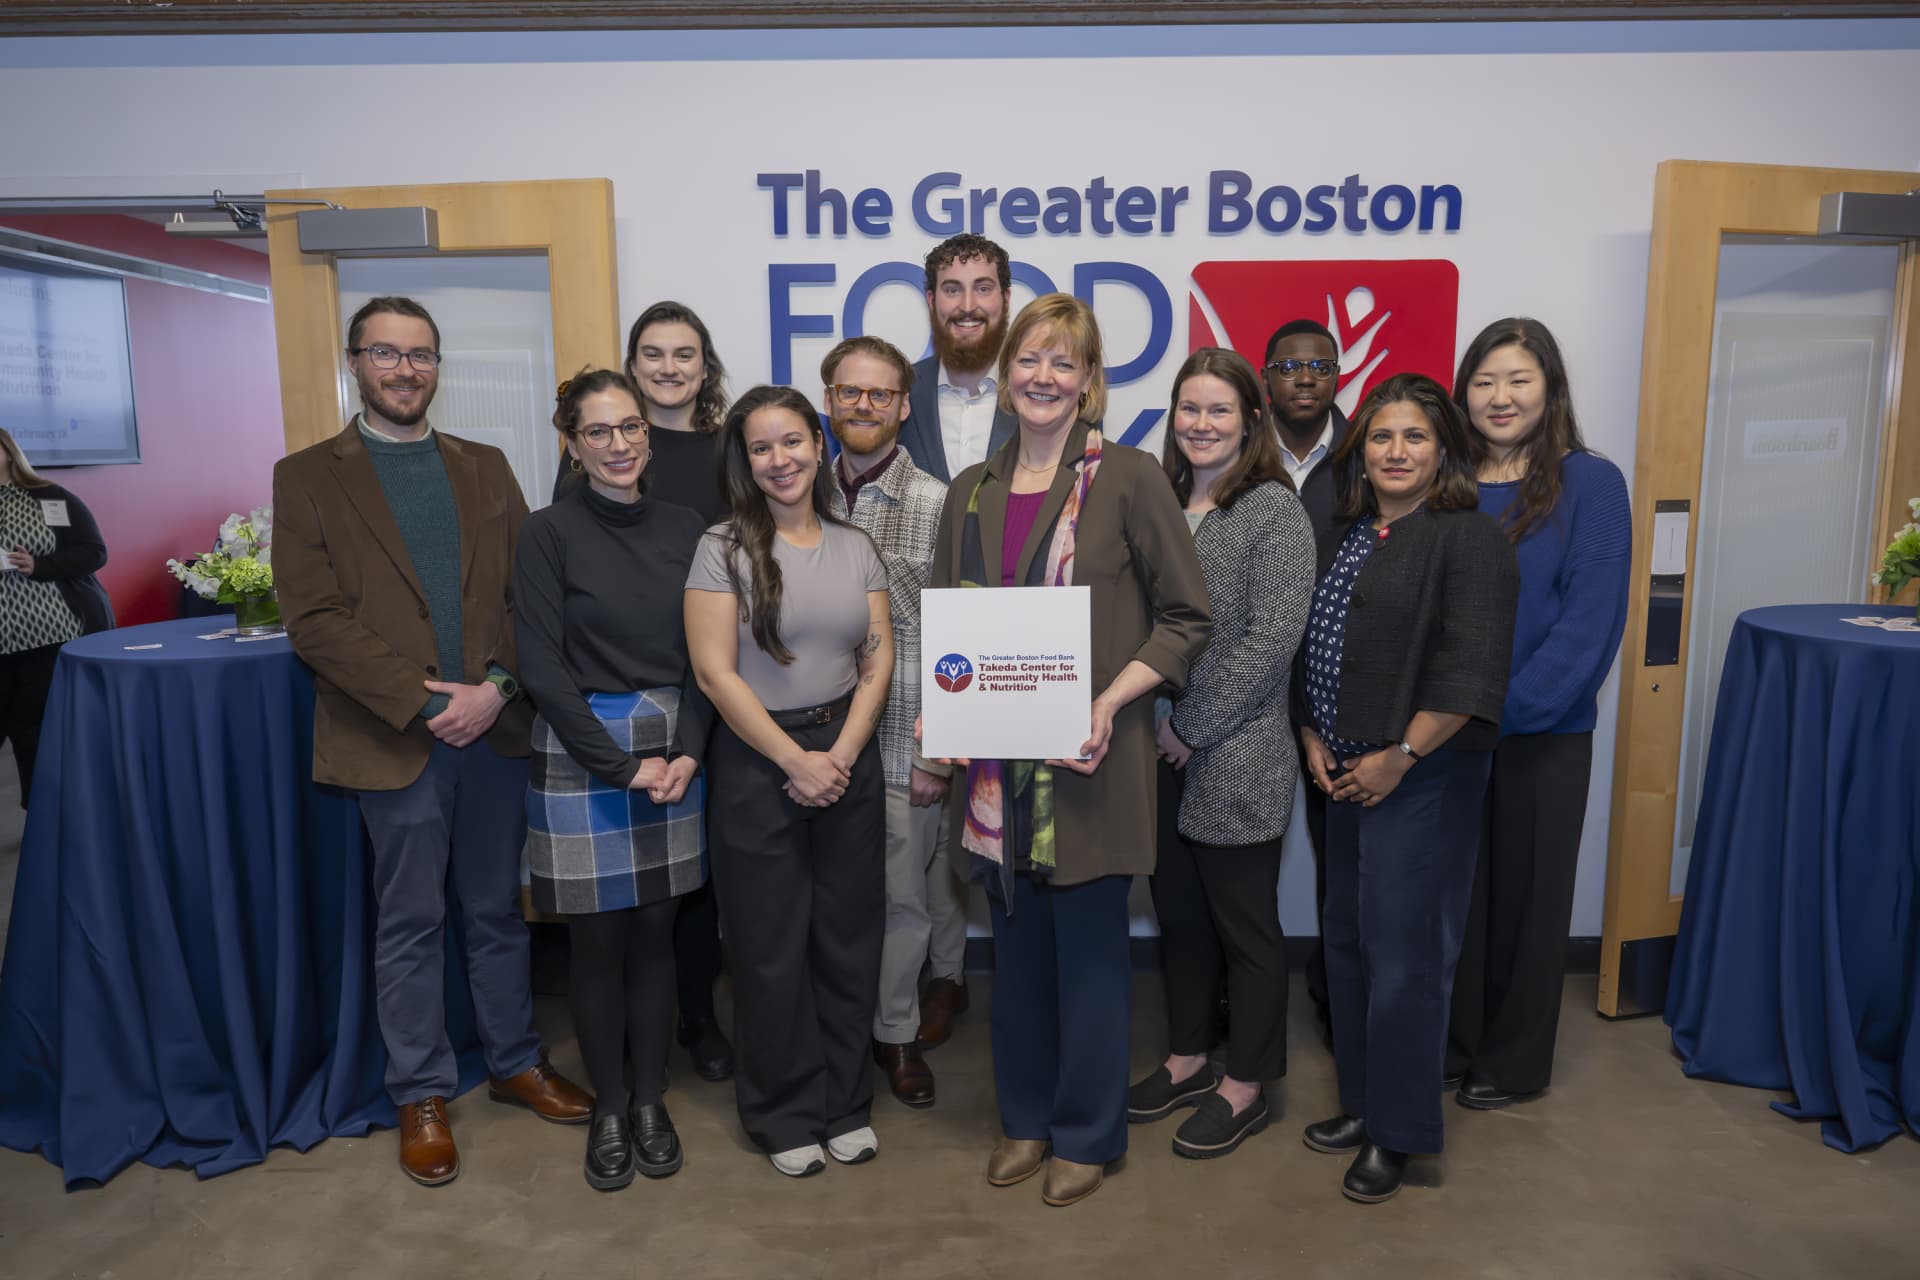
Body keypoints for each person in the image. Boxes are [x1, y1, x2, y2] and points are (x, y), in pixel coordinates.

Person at [274, 296, 592, 1188]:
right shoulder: (306, 477)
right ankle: (419, 1090)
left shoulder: (486, 468)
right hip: (394, 738)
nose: (405, 369)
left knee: (496, 912)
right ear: (355, 363)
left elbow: (531, 598)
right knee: (410, 921)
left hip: (491, 732)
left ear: (438, 367)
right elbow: (315, 620)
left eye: (420, 355)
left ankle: (514, 1064)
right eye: (386, 353)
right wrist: (426, 703)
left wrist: (494, 690)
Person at [925, 293, 1211, 1207]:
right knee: (1017, 962)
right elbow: (950, 628)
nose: (1044, 377)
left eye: (1066, 363)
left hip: (1093, 760)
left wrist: (1109, 700)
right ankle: (1026, 1120)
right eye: (1030, 360)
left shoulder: (1129, 479)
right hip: (996, 773)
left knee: (1089, 962)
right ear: (1004, 377)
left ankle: (1088, 1133)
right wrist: (945, 713)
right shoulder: (968, 491)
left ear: (1090, 384)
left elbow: (1186, 616)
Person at [1295, 373, 1517, 1205]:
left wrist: (1403, 756)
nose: (1395, 452)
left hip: (1418, 783)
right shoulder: (1353, 532)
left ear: (1444, 451)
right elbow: (1318, 643)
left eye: (1415, 437)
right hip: (1347, 774)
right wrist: (1313, 733)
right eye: (1381, 438)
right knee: (1349, 949)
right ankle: (1362, 1104)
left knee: (1407, 964)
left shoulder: (1468, 538)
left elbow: (1471, 666)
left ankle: (1401, 1134)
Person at [683, 384, 893, 1178]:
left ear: (818, 443)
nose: (780, 460)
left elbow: (878, 657)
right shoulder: (720, 547)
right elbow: (714, 673)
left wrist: (839, 753)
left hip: (846, 756)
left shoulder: (854, 543)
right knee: (771, 950)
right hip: (758, 763)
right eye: (762, 447)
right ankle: (784, 1111)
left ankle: (845, 1103)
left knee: (846, 941)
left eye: (793, 441)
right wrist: (794, 761)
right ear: (745, 460)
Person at [515, 369, 712, 1190]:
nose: (620, 444)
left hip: (674, 746)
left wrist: (690, 751)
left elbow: (711, 656)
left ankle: (649, 1100)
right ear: (572, 443)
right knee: (596, 942)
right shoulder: (545, 532)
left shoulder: (690, 527)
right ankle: (607, 1107)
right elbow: (539, 663)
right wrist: (620, 764)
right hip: (583, 745)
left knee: (655, 935)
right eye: (599, 431)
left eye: (630, 427)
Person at [1127, 349, 1314, 1160]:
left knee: (1247, 928)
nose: (1201, 425)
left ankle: (1247, 1084)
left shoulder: (1273, 510)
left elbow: (1270, 641)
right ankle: (1188, 1056)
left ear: (1252, 421)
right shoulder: (1160, 499)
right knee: (1181, 921)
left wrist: (1189, 725)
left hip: (1234, 753)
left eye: (1219, 411)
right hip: (1149, 750)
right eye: (1188, 409)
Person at [1445, 318, 1631, 1111]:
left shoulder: (1591, 483)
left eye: (1518, 379)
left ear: (1549, 387)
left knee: (1527, 904)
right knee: (1453, 901)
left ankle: (1514, 1061)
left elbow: (1588, 627)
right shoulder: (1442, 478)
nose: (1500, 397)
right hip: (1442, 736)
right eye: (1484, 381)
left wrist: (1496, 713)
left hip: (1540, 737)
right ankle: (1450, 1044)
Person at [554, 301, 735, 1084]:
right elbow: (561, 604)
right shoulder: (583, 477)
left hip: (707, 692)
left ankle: (692, 1027)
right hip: (607, 713)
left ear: (706, 364)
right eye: (653, 354)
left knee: (688, 891)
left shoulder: (726, 458)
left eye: (684, 354)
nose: (669, 368)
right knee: (613, 917)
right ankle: (624, 1066)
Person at [818, 335, 958, 1109]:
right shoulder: (798, 494)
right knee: (828, 898)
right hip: (814, 744)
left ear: (904, 406)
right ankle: (835, 1029)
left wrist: (939, 749)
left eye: (879, 394)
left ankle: (896, 1034)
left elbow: (958, 639)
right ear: (829, 401)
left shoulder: (940, 504)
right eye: (848, 392)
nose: (863, 405)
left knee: (903, 899)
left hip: (906, 736)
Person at [1261, 317, 1350, 1047]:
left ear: (1337, 377)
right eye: (1290, 364)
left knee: (1341, 859)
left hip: (1337, 687)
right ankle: (1238, 998)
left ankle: (1335, 991)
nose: (1304, 377)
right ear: (1266, 375)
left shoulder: (1366, 454)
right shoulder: (1231, 448)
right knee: (1241, 855)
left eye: (1319, 366)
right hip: (1248, 685)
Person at [0, 426, 111, 803]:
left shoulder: (50, 498)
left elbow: (93, 551)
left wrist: (39, 565)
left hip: (47, 633)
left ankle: (42, 818)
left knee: (39, 732)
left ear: (8, 451)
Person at [901, 233, 1019, 487]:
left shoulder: (1038, 391)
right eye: (953, 289)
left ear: (1006, 299)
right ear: (932, 301)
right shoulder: (901, 389)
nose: (967, 305)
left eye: (983, 289)